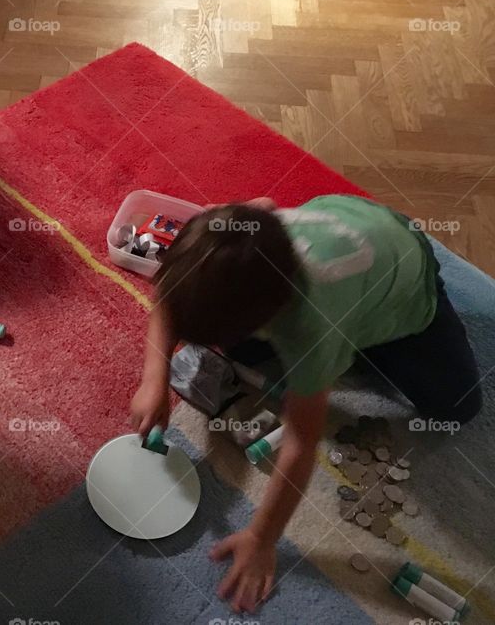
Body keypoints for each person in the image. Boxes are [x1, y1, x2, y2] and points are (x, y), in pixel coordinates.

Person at [129, 194, 481, 613]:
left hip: (405, 282)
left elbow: (300, 443)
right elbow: (169, 291)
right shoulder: (233, 232)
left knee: (457, 406)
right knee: (226, 332)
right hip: (341, 223)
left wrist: (262, 538)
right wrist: (155, 377)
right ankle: (350, 336)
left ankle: (366, 341)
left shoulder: (309, 326)